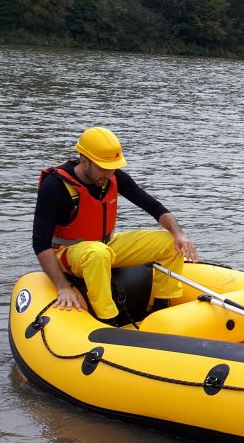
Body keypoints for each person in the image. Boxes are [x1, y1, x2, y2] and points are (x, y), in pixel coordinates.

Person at [33, 127, 197, 324]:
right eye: (103, 167)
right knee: (97, 252)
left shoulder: (112, 177)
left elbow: (153, 207)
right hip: (69, 254)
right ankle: (109, 320)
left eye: (112, 167)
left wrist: (179, 235)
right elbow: (41, 243)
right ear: (84, 161)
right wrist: (63, 286)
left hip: (106, 245)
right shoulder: (55, 187)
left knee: (169, 241)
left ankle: (160, 307)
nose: (110, 172)